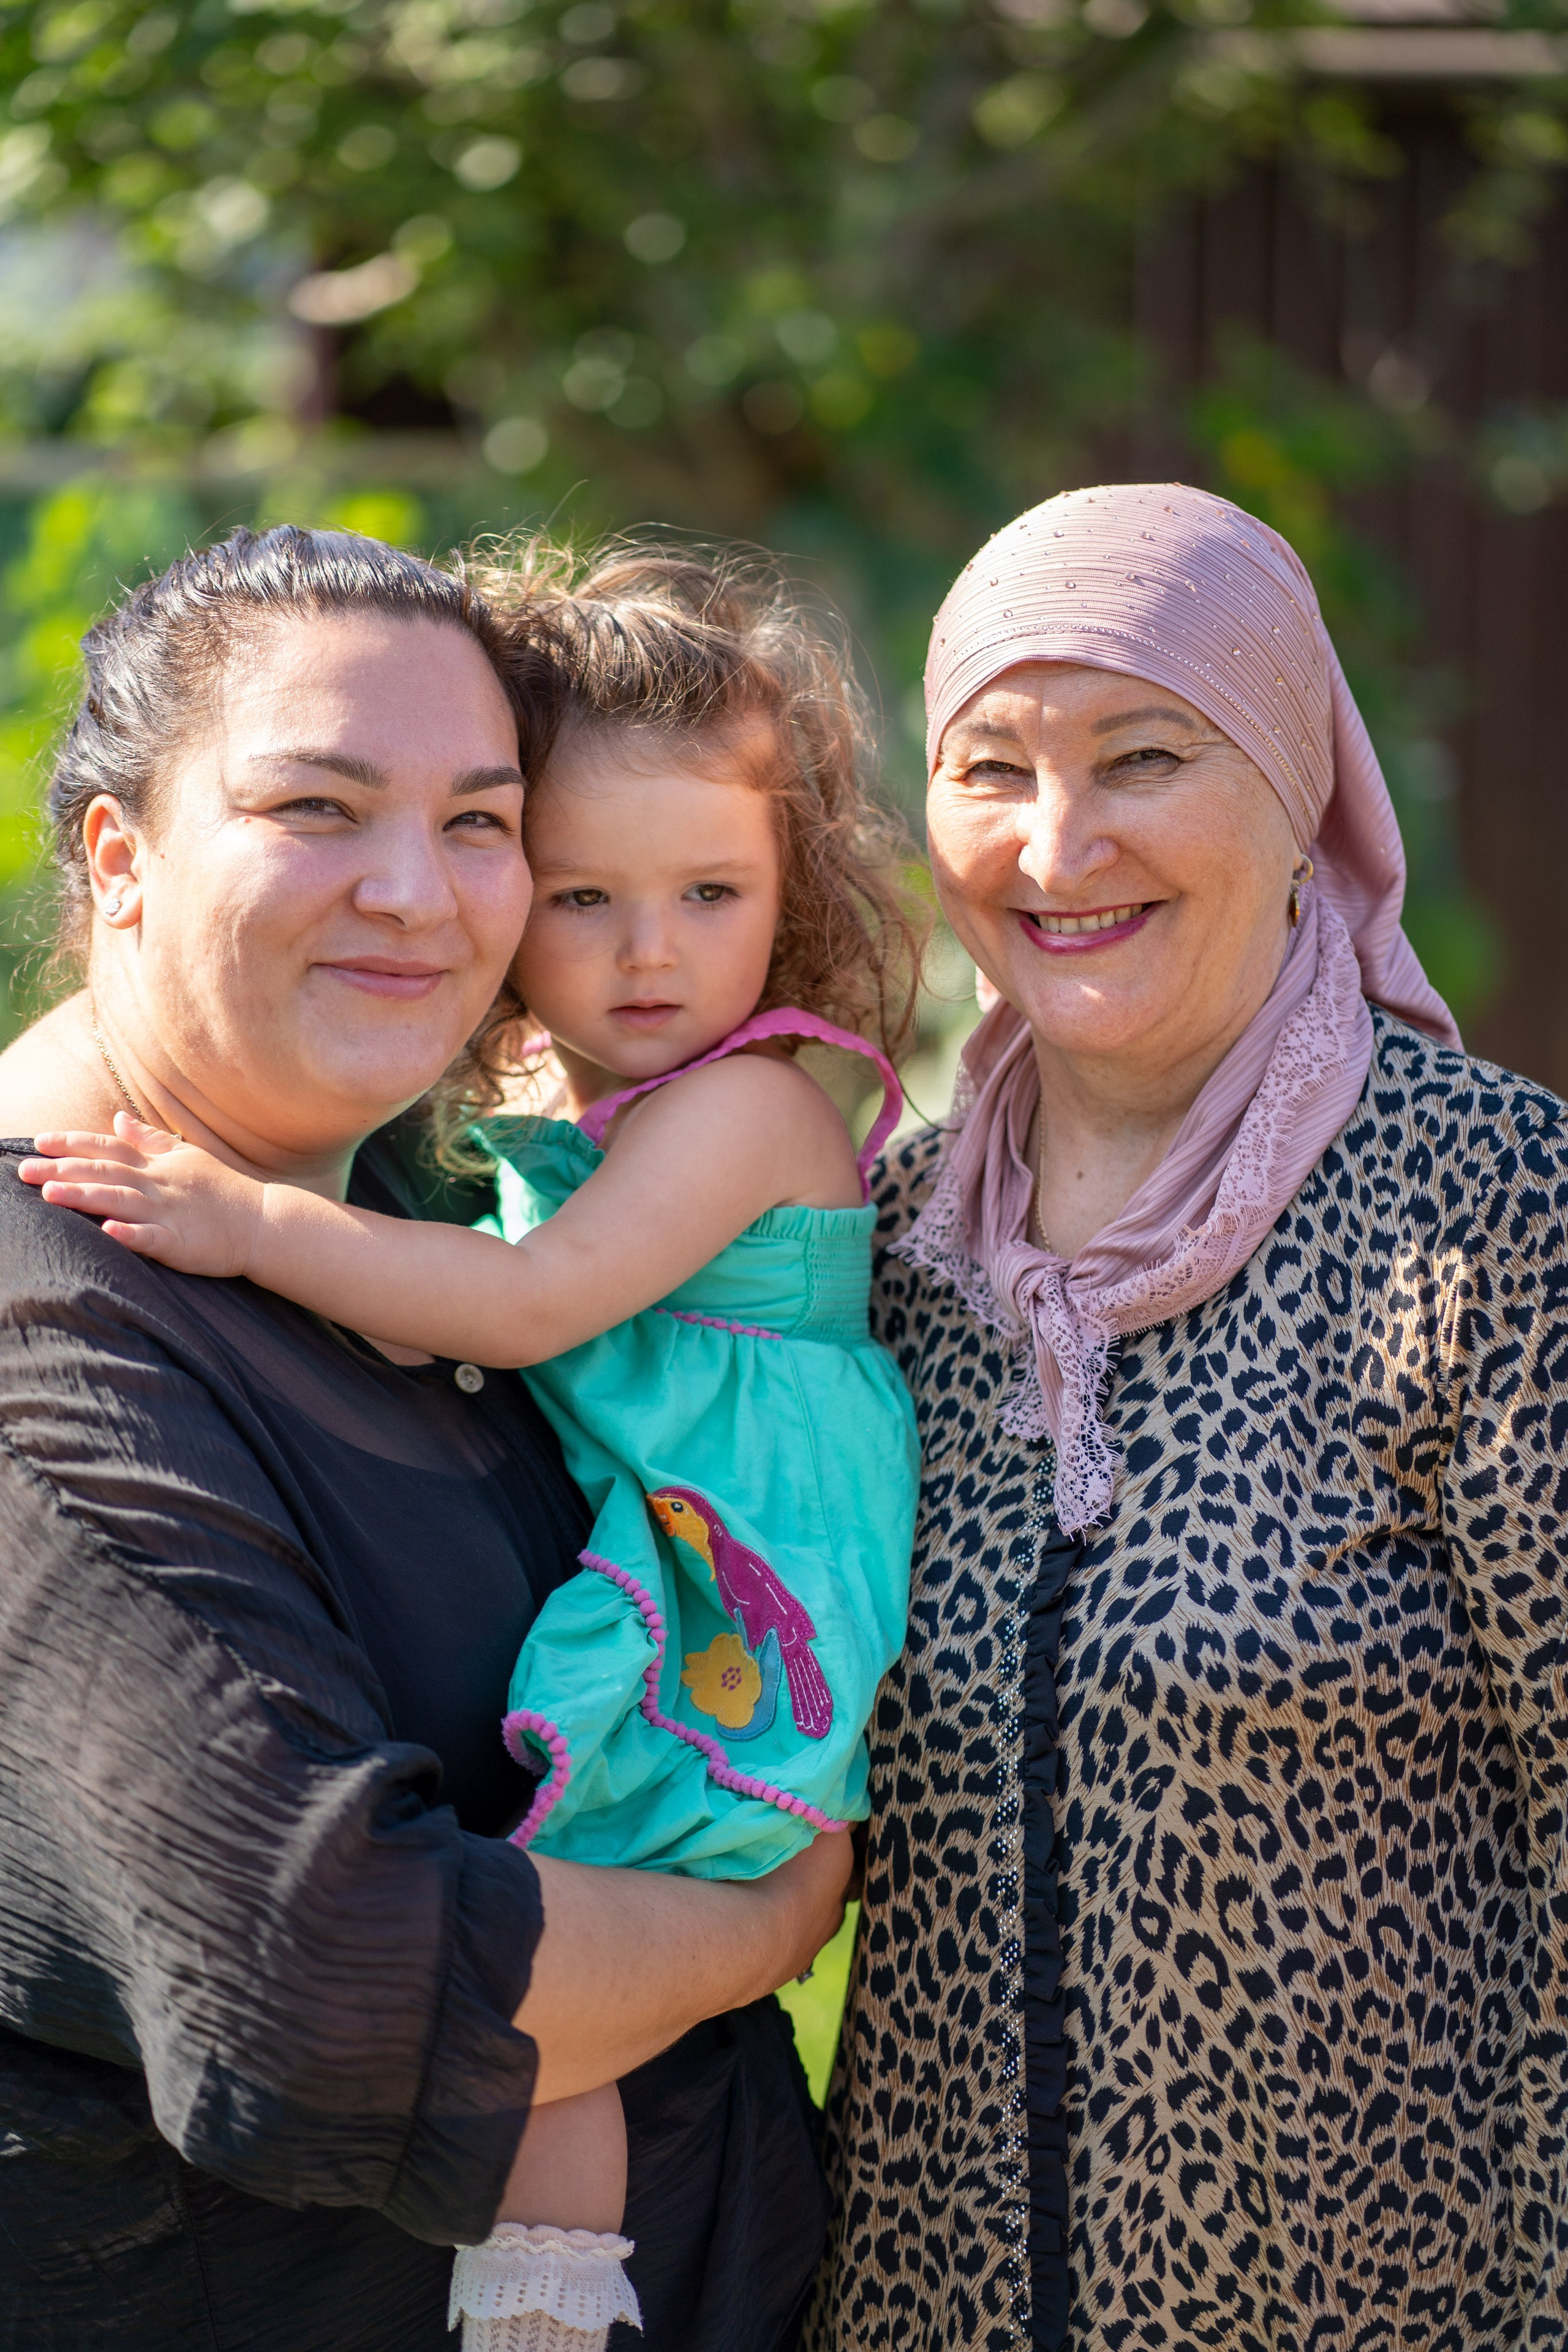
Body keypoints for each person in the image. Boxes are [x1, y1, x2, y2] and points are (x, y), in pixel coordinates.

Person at [24, 543, 924, 2352]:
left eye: (480, 821)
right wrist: (770, 1921)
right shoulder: (64, 1337)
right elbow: (337, 1983)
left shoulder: (400, 1212)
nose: (415, 893)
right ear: (120, 857)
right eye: (317, 806)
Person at [806, 480, 1568, 2352]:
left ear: (1294, 790)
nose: (1058, 843)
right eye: (990, 769)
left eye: (1143, 756)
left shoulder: (1489, 1205)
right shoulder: (882, 1255)